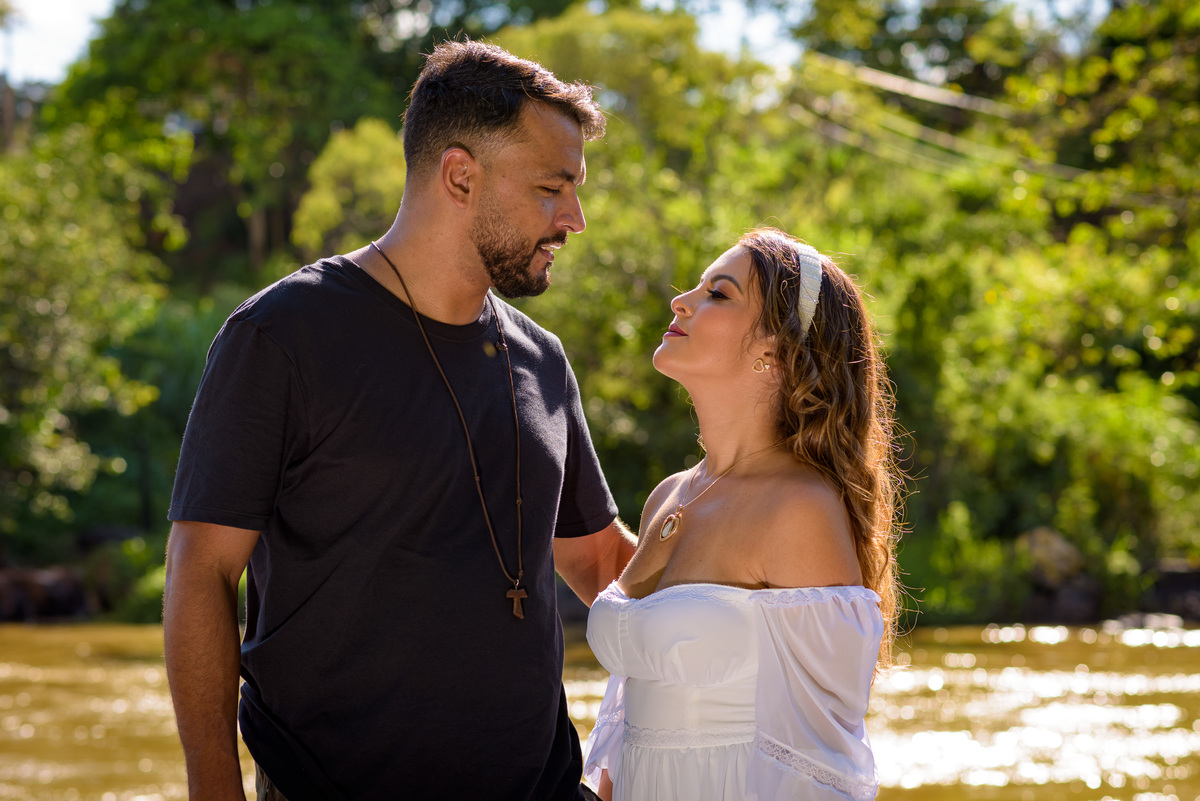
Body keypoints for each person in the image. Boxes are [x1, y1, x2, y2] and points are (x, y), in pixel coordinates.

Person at [163, 40, 637, 801]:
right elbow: (201, 570)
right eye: (553, 188)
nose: (574, 219)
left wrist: (758, 556)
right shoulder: (282, 335)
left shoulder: (543, 359)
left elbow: (606, 565)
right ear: (459, 175)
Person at [582, 228, 902, 800]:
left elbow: (822, 762)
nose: (683, 300)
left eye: (719, 293)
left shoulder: (799, 509)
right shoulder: (669, 495)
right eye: (699, 287)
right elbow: (626, 714)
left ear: (772, 352)